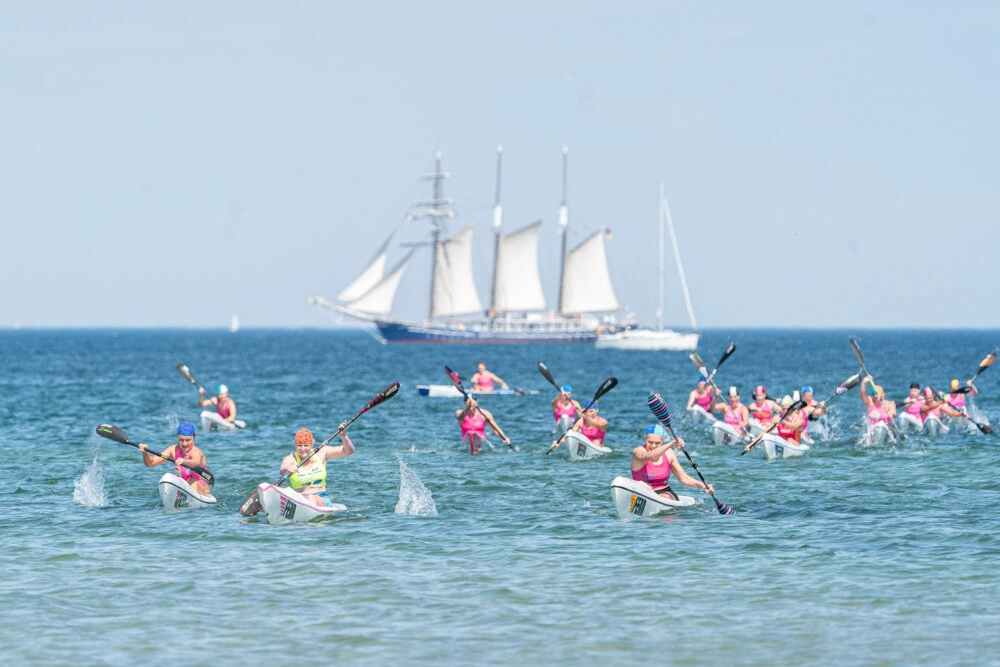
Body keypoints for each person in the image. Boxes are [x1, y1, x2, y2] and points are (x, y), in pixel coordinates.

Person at [630, 425, 714, 501]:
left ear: (662, 441)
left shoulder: (669, 453)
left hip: (665, 493)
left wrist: (703, 485)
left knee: (664, 497)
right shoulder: (638, 451)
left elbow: (684, 479)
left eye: (657, 443)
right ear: (645, 439)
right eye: (650, 442)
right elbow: (651, 456)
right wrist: (673, 443)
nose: (653, 446)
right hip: (642, 493)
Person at [279, 426, 354, 507]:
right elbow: (282, 471)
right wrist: (288, 469)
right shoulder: (290, 459)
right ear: (295, 444)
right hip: (299, 498)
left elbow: (349, 451)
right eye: (299, 445)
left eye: (306, 445)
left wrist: (343, 436)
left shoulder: (321, 453)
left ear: (312, 444)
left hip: (320, 497)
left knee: (311, 498)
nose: (302, 449)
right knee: (297, 497)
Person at [139, 422, 211, 496]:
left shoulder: (196, 452)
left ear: (194, 436)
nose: (184, 444)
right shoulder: (173, 450)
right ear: (177, 436)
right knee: (169, 478)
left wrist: (185, 461)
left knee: (193, 481)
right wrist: (145, 454)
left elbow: (197, 462)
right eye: (181, 440)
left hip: (200, 490)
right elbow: (151, 463)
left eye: (188, 440)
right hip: (183, 487)